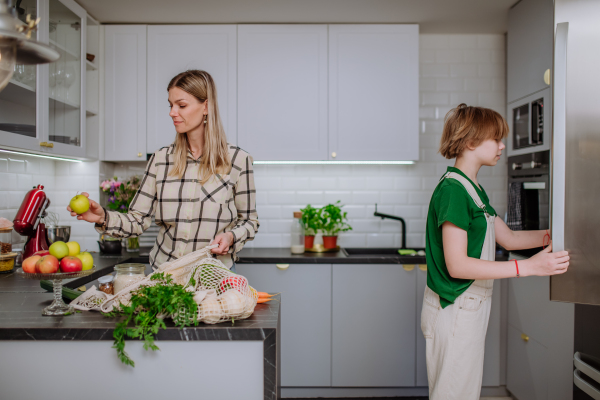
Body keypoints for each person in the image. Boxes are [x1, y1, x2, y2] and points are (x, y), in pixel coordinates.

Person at [421, 104, 569, 400]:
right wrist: (528, 268)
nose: (502, 146)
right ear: (470, 141)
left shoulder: (472, 187)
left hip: (469, 306)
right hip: (456, 306)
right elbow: (458, 266)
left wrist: (554, 236)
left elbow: (510, 238)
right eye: (496, 138)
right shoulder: (453, 190)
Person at [68, 70, 259, 271]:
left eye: (181, 105)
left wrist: (231, 237)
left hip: (214, 275)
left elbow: (249, 221)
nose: (172, 112)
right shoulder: (161, 160)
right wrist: (102, 217)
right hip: (165, 276)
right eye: (171, 105)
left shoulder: (237, 160)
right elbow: (137, 220)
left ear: (206, 106)